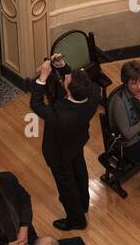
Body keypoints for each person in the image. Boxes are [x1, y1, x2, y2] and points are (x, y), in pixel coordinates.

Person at [30, 59, 100, 231]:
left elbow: (36, 104)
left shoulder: (61, 114)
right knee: (80, 171)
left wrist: (43, 77)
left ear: (68, 90)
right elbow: (75, 81)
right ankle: (83, 203)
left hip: (59, 151)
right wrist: (62, 66)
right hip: (77, 142)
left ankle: (76, 220)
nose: (67, 75)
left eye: (67, 78)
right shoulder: (93, 94)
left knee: (66, 184)